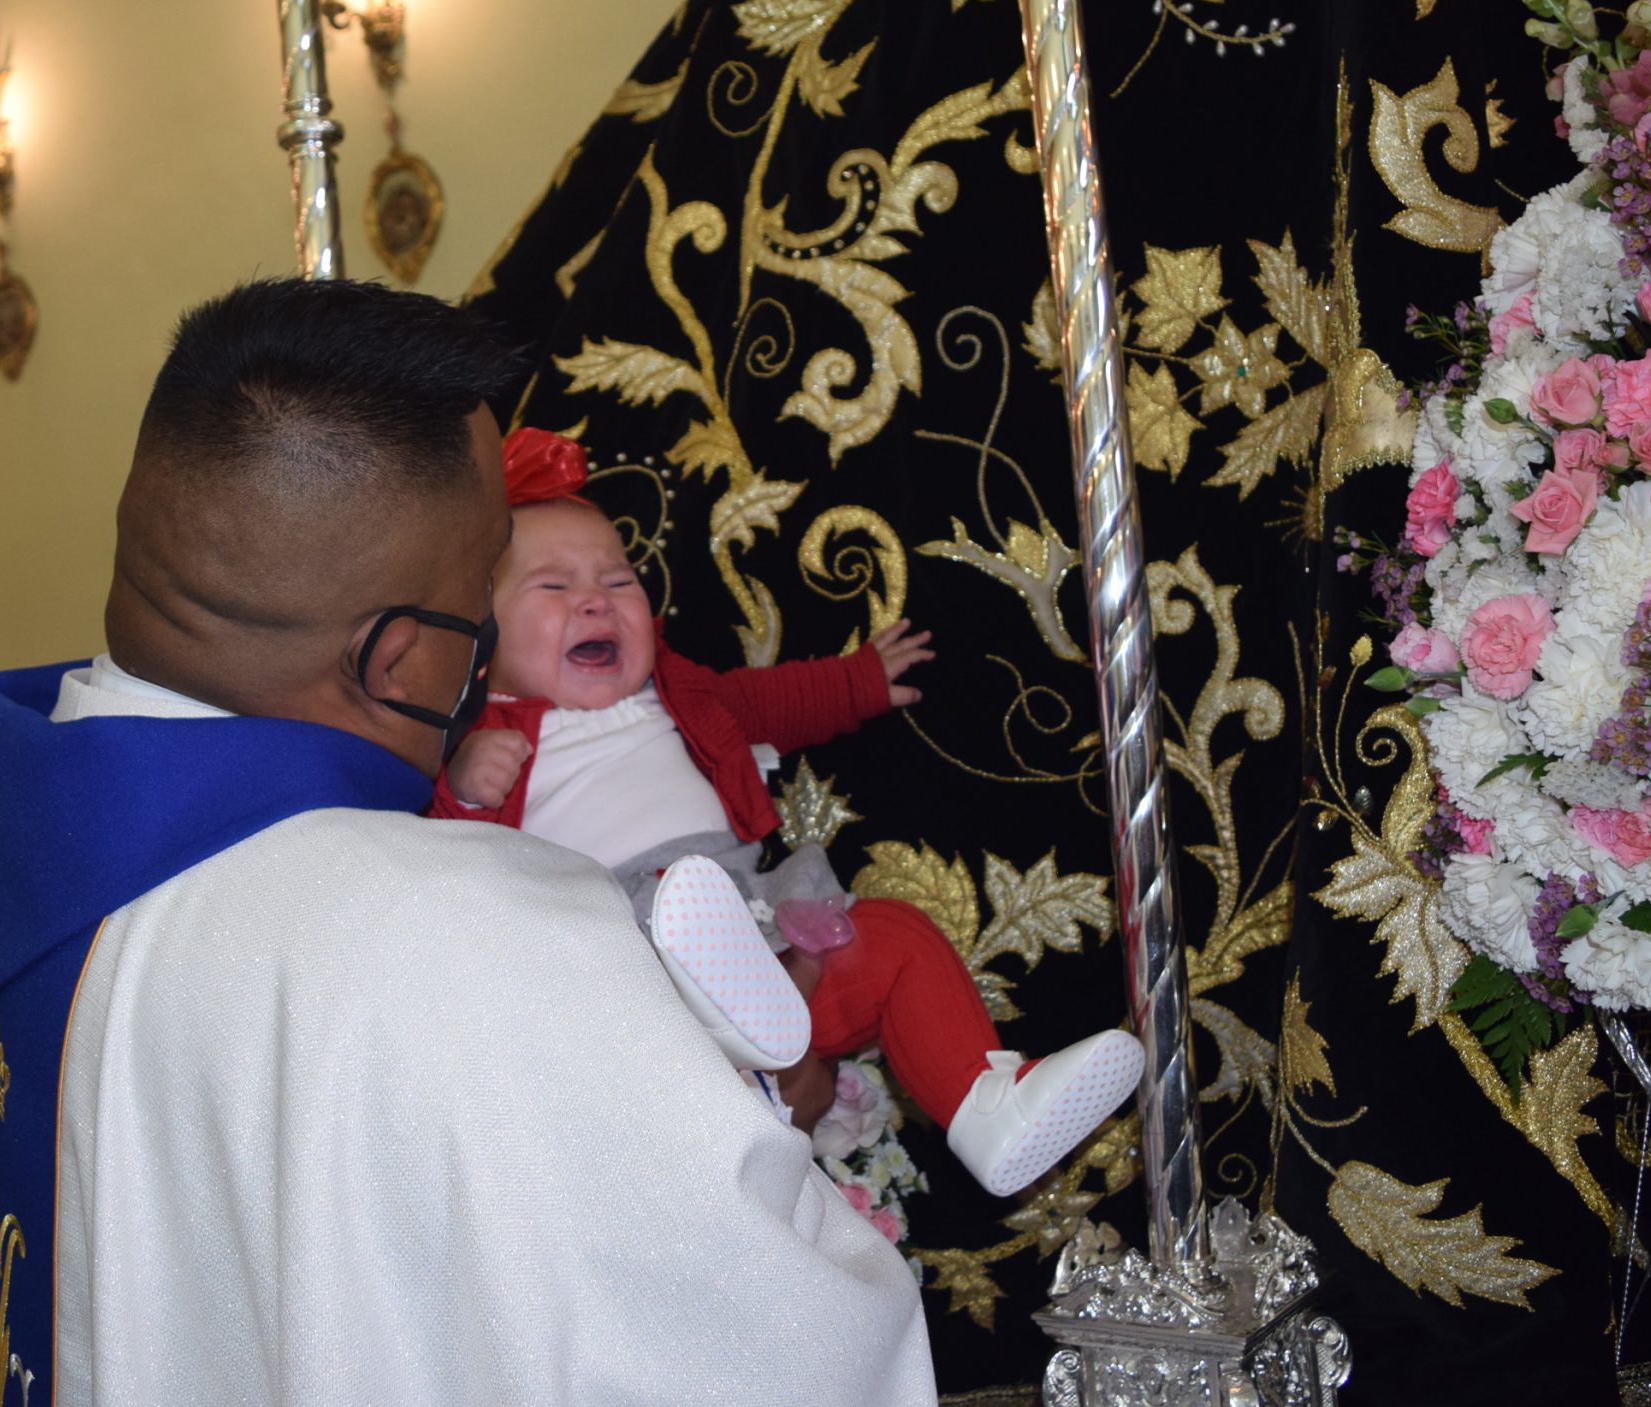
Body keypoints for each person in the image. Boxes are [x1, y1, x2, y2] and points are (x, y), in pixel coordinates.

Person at [0, 279, 940, 1407]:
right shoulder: (464, 929)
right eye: (482, 593)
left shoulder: (1, 846)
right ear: (399, 659)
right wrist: (771, 1095)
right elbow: (770, 1394)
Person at [429, 429, 1142, 1198]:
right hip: (624, 972)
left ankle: (986, 1104)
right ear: (479, 632)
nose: (596, 598)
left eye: (619, 579)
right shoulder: (476, 737)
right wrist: (463, 786)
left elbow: (769, 701)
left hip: (752, 928)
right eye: (553, 586)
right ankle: (727, 1031)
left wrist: (859, 680)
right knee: (672, 949)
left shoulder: (680, 694)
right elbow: (442, 869)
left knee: (894, 939)